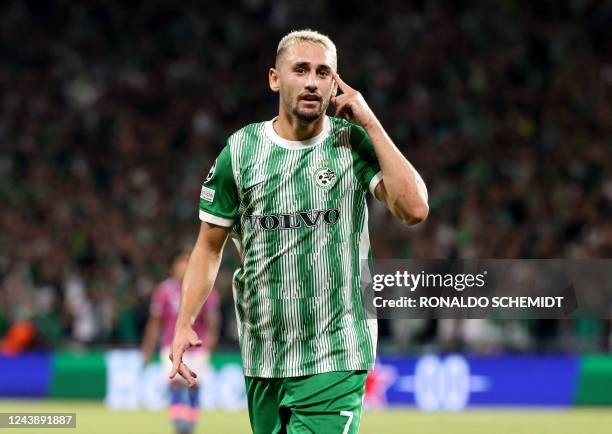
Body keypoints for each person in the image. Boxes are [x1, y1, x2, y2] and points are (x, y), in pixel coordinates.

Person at [169, 29, 428, 433]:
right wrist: (185, 320)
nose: (312, 81)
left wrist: (371, 122)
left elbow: (414, 209)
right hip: (265, 355)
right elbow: (208, 246)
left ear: (335, 83)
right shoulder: (240, 153)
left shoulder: (350, 142)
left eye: (324, 73)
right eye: (301, 70)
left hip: (336, 352)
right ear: (275, 78)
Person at [142, 248, 220, 434]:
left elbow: (212, 320)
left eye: (187, 262)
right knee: (174, 382)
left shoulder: (204, 287)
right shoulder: (163, 291)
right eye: (180, 262)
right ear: (173, 266)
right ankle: (178, 422)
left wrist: (210, 342)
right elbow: (154, 324)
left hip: (196, 346)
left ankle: (191, 421)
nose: (183, 266)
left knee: (194, 384)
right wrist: (147, 349)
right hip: (170, 345)